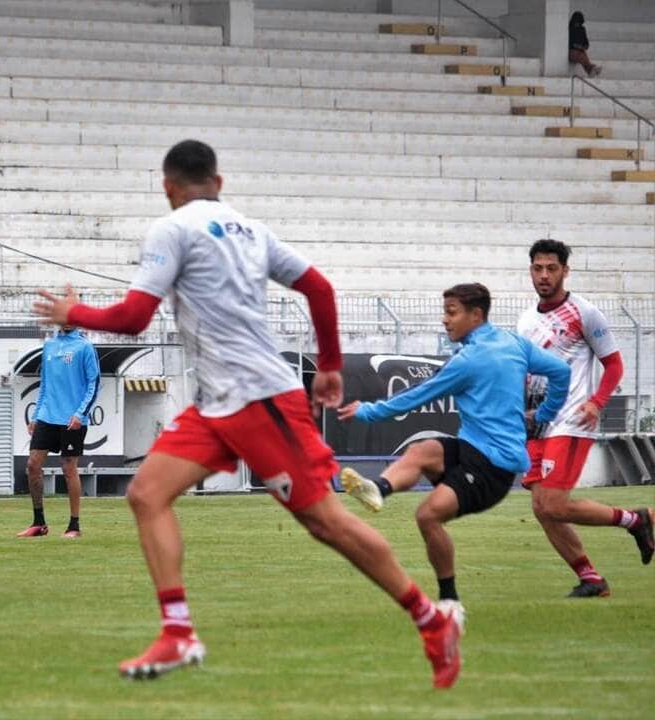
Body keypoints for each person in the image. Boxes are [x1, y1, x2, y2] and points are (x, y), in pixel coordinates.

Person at [34, 139, 464, 689]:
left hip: (262, 401)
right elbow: (318, 286)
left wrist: (75, 312)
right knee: (146, 493)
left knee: (327, 524)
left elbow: (135, 318)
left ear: (168, 188)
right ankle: (178, 632)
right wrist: (328, 364)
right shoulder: (250, 229)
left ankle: (432, 620)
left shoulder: (173, 228)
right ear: (219, 182)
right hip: (218, 405)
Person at [338, 283, 571, 614]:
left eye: (451, 313)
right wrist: (545, 414)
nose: (445, 320)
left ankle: (450, 600)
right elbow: (561, 371)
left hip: (493, 468)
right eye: (445, 312)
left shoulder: (469, 360)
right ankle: (378, 488)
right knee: (421, 451)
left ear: (476, 315)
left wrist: (366, 412)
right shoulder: (513, 342)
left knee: (427, 516)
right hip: (472, 448)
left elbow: (417, 396)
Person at [518, 239, 653, 596]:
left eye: (551, 268)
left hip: (572, 420)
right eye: (537, 268)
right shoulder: (526, 320)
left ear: (565, 271)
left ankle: (636, 520)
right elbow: (523, 371)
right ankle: (591, 579)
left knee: (554, 504)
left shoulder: (585, 313)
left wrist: (596, 402)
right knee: (543, 509)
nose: (544, 275)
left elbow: (614, 363)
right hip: (539, 423)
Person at [17, 323, 100, 538]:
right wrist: (36, 416)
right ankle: (39, 523)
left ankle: (74, 526)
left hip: (73, 417)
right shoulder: (50, 346)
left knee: (68, 468)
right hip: (47, 415)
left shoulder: (85, 347)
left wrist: (80, 414)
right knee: (33, 464)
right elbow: (45, 383)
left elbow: (94, 382)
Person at [569, 12, 601, 77]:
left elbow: (586, 41)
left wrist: (584, 46)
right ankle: (592, 69)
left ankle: (591, 70)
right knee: (582, 56)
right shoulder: (570, 29)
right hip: (572, 51)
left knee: (583, 56)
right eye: (576, 22)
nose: (577, 24)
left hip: (581, 50)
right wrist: (577, 46)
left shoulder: (582, 29)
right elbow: (570, 42)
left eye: (579, 22)